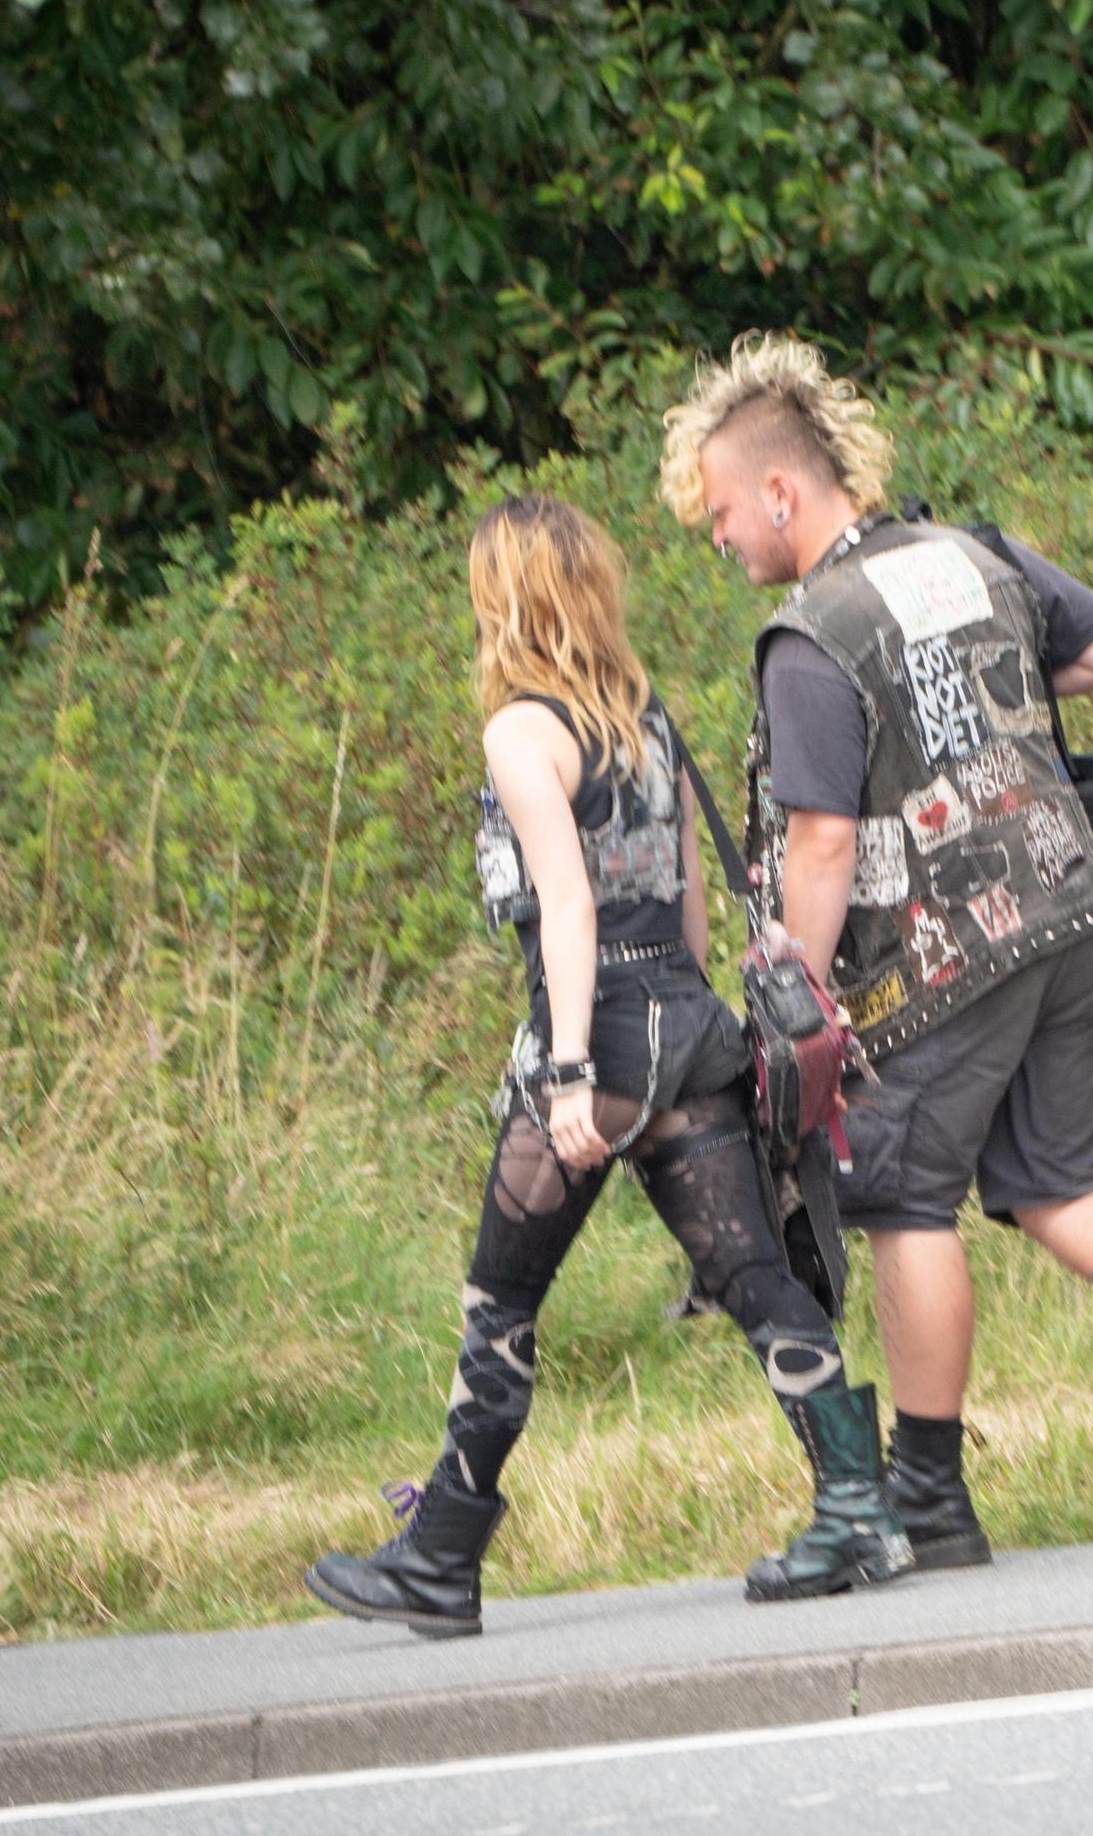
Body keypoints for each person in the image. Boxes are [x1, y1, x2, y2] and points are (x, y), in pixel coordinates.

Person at [661, 334, 1093, 1557]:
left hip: (940, 955)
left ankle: (929, 1496)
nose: (718, 541)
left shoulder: (810, 637)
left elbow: (817, 843)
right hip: (1070, 913)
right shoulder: (971, 552)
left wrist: (796, 998)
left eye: (718, 514)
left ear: (779, 490)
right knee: (1054, 1182)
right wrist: (981, 699)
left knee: (904, 1196)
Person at [306, 495, 907, 1637]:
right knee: (752, 1277)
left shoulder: (520, 732)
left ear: (507, 599)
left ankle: (440, 1560)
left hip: (598, 1036)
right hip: (686, 1029)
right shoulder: (646, 719)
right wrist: (686, 1029)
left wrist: (573, 1074)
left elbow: (568, 905)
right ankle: (857, 1507)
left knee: (502, 1303)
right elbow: (684, 897)